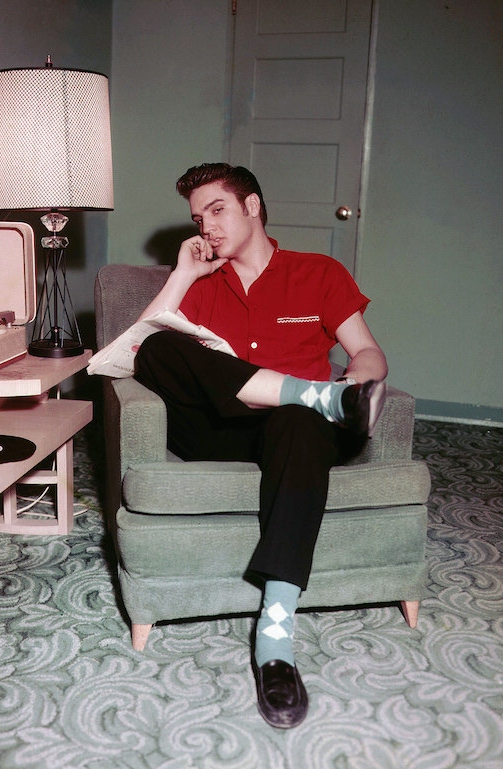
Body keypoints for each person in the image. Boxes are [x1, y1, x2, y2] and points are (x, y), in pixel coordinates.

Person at [133, 163, 388, 729]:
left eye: (217, 210)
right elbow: (132, 354)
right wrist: (181, 276)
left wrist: (359, 382)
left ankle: (275, 641)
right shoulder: (202, 283)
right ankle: (314, 397)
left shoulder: (318, 272)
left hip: (297, 435)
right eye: (199, 218)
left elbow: (367, 353)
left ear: (253, 206)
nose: (207, 227)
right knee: (155, 349)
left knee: (296, 422)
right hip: (220, 431)